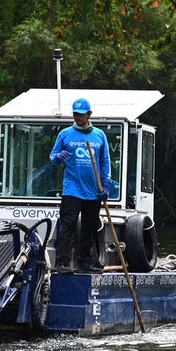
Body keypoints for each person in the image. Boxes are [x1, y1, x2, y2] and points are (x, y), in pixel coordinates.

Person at [49, 97, 112, 274]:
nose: (78, 117)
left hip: (93, 190)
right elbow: (52, 157)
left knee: (89, 227)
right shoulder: (65, 134)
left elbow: (105, 161)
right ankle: (63, 263)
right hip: (72, 188)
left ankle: (84, 263)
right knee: (68, 224)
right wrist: (58, 157)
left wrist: (106, 184)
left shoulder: (99, 135)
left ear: (89, 114)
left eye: (82, 114)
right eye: (76, 114)